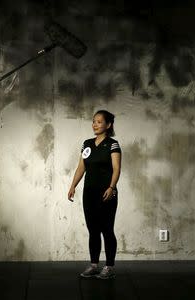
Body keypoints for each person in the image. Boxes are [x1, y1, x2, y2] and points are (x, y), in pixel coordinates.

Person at [68, 110, 122, 279]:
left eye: (99, 122)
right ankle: (93, 265)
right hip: (89, 193)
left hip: (106, 193)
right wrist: (73, 186)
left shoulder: (113, 144)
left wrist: (111, 187)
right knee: (93, 230)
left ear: (108, 125)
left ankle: (109, 266)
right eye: (93, 121)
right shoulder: (87, 144)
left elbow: (116, 169)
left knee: (107, 229)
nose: (95, 124)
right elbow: (81, 168)